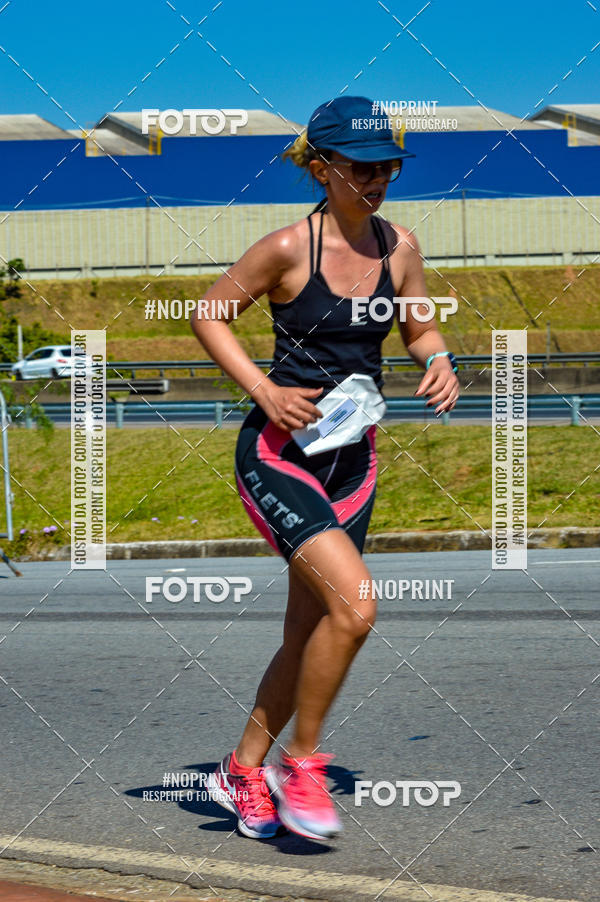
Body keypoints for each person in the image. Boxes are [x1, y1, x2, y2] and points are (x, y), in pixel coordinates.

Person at [193, 96, 459, 841]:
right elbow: (209, 313)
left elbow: (418, 325)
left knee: (313, 630)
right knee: (357, 606)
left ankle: (241, 770)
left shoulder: (399, 247)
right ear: (321, 168)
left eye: (387, 168)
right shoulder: (287, 248)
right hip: (279, 455)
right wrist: (264, 390)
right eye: (361, 168)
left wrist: (438, 359)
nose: (376, 181)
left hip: (354, 462)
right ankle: (302, 764)